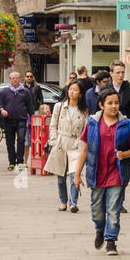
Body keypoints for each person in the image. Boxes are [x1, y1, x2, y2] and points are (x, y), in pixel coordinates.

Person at [74, 88, 130, 256]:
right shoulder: (92, 123)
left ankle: (111, 241)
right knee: (97, 209)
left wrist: (124, 154)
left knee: (113, 210)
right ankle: (99, 229)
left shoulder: (126, 124)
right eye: (110, 103)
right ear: (101, 105)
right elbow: (85, 150)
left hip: (117, 172)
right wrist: (76, 174)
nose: (114, 106)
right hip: (96, 172)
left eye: (116, 103)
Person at [45, 81, 88, 213]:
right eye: (70, 89)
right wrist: (53, 140)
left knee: (75, 174)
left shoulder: (84, 110)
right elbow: (53, 124)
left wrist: (83, 144)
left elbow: (86, 129)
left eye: (75, 90)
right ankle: (63, 201)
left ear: (80, 93)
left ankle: (73, 203)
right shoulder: (59, 106)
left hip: (76, 144)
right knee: (60, 176)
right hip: (60, 142)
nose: (72, 92)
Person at [107, 61, 130, 213]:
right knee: (108, 165)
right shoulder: (105, 89)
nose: (120, 75)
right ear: (111, 73)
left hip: (125, 131)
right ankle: (110, 199)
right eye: (118, 72)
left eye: (122, 72)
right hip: (107, 131)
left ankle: (119, 201)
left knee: (123, 168)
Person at [0, 70, 34, 170]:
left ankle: (20, 162)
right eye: (13, 78)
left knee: (21, 140)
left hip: (21, 120)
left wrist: (32, 119)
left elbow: (30, 106)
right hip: (8, 120)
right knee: (10, 142)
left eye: (17, 78)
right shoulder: (4, 92)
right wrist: (2, 109)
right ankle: (12, 162)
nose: (15, 80)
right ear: (10, 79)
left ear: (19, 79)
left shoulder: (25, 92)